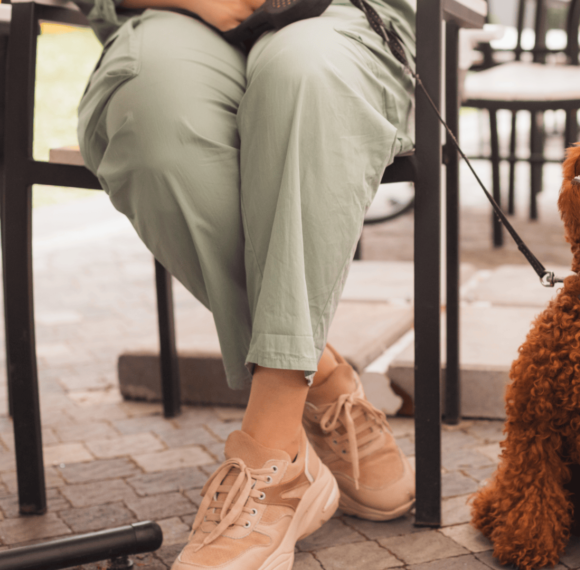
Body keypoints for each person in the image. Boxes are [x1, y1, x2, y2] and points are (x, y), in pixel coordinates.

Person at [73, 0, 416, 567]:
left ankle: (273, 449)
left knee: (303, 75)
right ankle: (325, 380)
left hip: (342, 12)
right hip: (175, 14)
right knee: (154, 130)